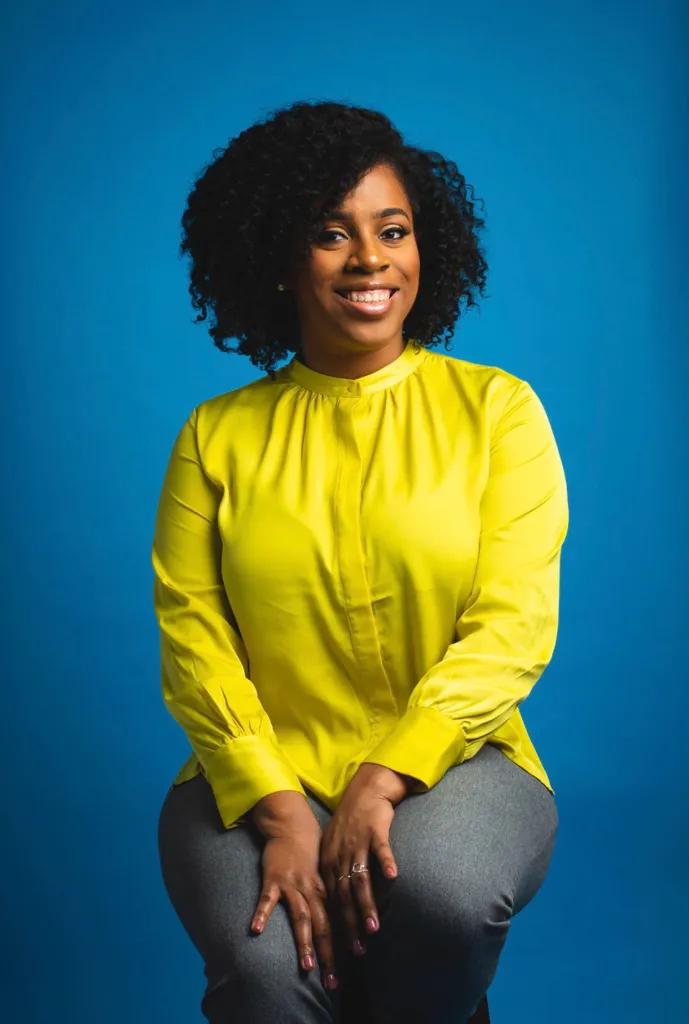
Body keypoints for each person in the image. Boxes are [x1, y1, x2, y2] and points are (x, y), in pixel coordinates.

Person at [152, 99, 568, 1024]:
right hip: (255, 768)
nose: (370, 259)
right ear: (277, 258)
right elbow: (192, 634)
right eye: (331, 234)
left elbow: (513, 624)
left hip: (455, 761)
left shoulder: (498, 412)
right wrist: (279, 807)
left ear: (426, 247)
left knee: (438, 892)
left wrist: (385, 778)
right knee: (268, 980)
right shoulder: (213, 435)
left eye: (392, 230)